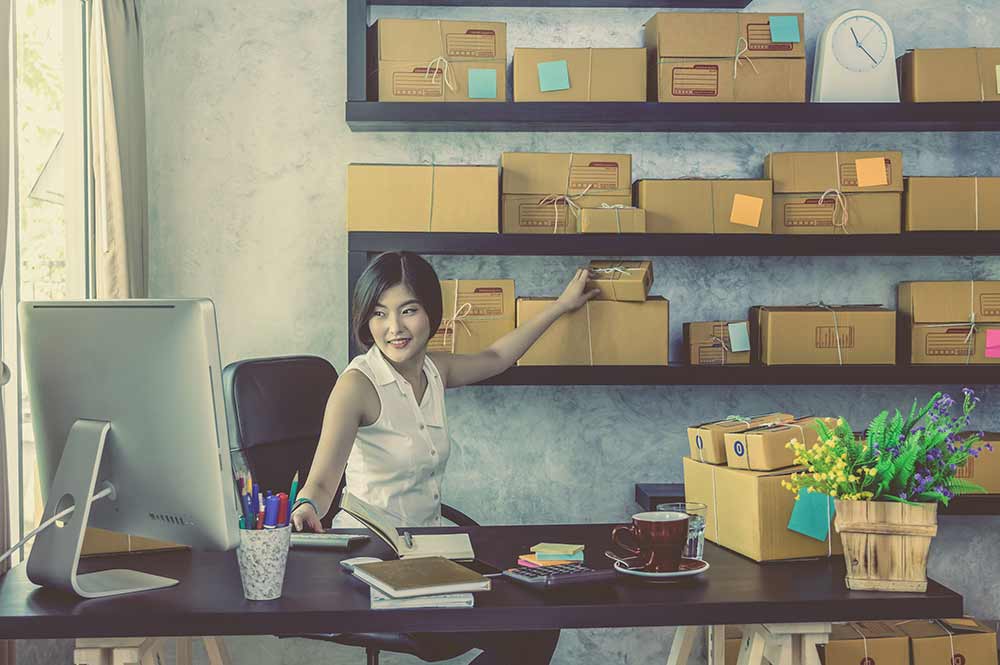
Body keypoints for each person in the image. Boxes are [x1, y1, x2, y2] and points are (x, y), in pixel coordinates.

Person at [291, 251, 598, 665]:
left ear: (431, 313)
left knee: (539, 617)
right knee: (499, 625)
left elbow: (496, 357)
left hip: (427, 551)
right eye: (379, 314)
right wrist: (307, 505)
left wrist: (561, 306)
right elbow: (323, 483)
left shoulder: (435, 370)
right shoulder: (357, 385)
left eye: (408, 311)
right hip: (372, 555)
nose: (394, 328)